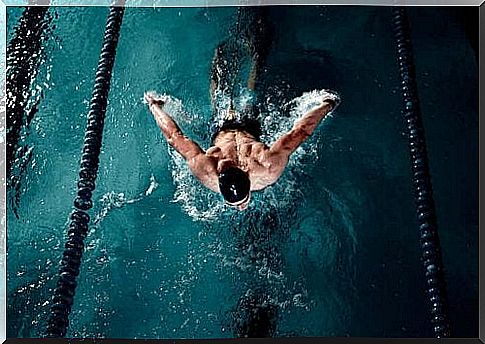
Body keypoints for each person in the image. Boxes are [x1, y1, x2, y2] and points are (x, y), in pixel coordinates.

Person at [144, 8, 341, 211]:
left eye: (222, 167)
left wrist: (155, 107)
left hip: (220, 126)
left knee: (219, 73)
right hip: (250, 125)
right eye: (225, 167)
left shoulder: (207, 171)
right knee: (251, 82)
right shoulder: (267, 167)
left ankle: (243, 43)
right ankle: (255, 48)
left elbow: (175, 137)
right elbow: (299, 132)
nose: (222, 164)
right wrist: (326, 104)